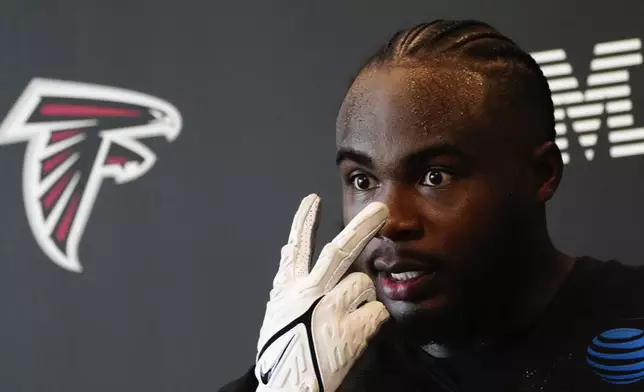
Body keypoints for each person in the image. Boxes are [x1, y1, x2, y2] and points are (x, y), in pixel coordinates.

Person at [219, 20, 644, 391]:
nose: (390, 221)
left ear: (541, 175)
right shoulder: (311, 372)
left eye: (434, 176)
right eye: (363, 181)